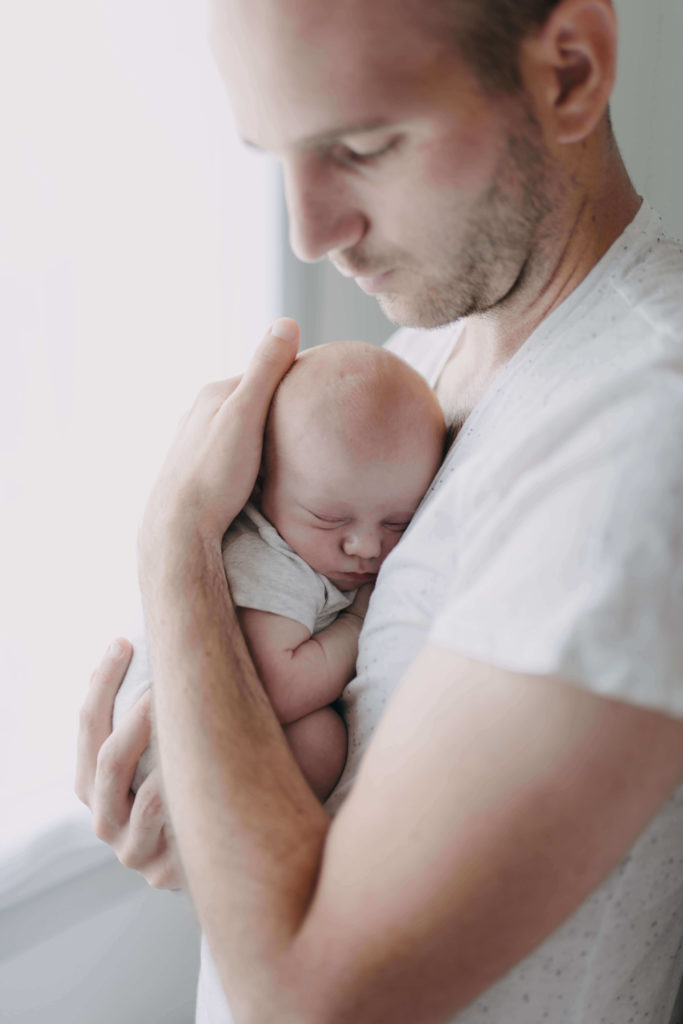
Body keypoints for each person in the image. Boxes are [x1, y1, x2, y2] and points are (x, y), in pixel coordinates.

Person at [75, 1, 683, 1021]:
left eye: (358, 149)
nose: (310, 233)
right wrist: (203, 810)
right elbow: (305, 844)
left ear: (569, 73)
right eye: (276, 156)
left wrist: (174, 542)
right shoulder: (417, 369)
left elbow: (304, 996)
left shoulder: (642, 428)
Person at [112, 340, 446, 800]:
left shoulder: (315, 533)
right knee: (320, 742)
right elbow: (279, 688)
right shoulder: (270, 558)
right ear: (260, 484)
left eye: (397, 522)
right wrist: (356, 621)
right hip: (163, 745)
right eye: (330, 519)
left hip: (198, 728)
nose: (367, 547)